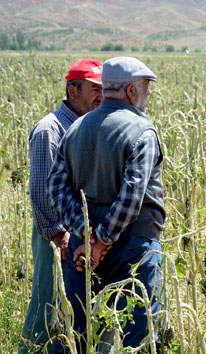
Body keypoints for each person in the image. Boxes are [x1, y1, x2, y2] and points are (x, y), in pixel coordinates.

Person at [47, 57, 165, 351]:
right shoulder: (143, 131)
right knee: (136, 334)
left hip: (81, 250)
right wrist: (102, 240)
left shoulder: (76, 128)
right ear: (131, 92)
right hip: (133, 245)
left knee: (79, 330)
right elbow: (132, 194)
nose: (147, 95)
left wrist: (86, 233)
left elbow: (56, 187)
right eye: (146, 89)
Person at [20, 59, 103, 353]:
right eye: (94, 89)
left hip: (79, 235)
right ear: (72, 90)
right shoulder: (50, 129)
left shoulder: (86, 127)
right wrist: (58, 234)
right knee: (48, 303)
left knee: (73, 306)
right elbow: (42, 189)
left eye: (103, 90)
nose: (100, 97)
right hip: (57, 237)